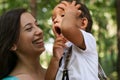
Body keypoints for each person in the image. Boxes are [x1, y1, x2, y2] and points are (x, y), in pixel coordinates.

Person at [45, 0, 100, 80]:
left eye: (63, 15)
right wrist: (55, 58)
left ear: (83, 23)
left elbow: (67, 28)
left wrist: (70, 13)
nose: (55, 20)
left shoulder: (88, 40)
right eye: (53, 19)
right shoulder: (60, 51)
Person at [0, 8, 46, 80]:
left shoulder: (58, 73)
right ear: (12, 45)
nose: (40, 31)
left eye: (37, 25)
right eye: (29, 28)